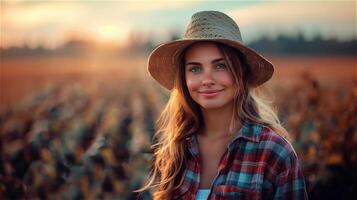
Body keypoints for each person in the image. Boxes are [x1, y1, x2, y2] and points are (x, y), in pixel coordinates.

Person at [135, 10, 308, 200]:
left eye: (220, 66)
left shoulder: (274, 152)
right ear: (183, 79)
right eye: (195, 68)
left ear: (240, 73)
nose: (207, 80)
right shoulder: (175, 151)